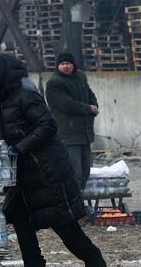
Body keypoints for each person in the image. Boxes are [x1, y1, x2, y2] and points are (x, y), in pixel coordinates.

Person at [0, 53, 105, 267]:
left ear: (3, 74)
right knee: (19, 217)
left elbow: (47, 125)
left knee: (65, 227)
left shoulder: (26, 96)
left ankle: (95, 261)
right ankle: (34, 262)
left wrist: (18, 148)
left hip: (46, 174)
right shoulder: (3, 101)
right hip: (24, 177)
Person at [45, 52, 99, 191]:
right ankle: (73, 204)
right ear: (58, 66)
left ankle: (79, 201)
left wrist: (94, 106)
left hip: (85, 133)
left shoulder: (80, 76)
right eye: (62, 64)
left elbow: (89, 93)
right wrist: (88, 108)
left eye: (68, 63)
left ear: (73, 65)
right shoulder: (54, 83)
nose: (65, 67)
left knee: (86, 172)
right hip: (68, 134)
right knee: (75, 173)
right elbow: (66, 105)